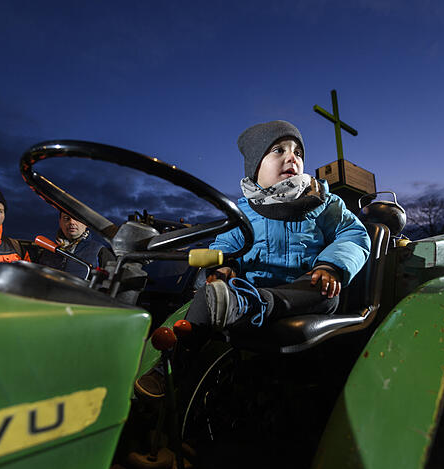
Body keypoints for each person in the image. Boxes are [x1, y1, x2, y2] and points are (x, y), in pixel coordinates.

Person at [135, 120, 371, 397]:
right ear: (255, 168)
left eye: (298, 152)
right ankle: (170, 371)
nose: (291, 157)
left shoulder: (323, 203)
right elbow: (226, 245)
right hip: (249, 290)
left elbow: (354, 235)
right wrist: (223, 266)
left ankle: (248, 304)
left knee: (326, 293)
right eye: (278, 150)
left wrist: (330, 266)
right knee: (207, 298)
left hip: (303, 293)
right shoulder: (244, 212)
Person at [36, 211, 102, 279]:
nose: (72, 222)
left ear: (86, 223)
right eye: (66, 218)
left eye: (77, 219)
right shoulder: (48, 251)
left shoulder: (99, 251)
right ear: (60, 222)